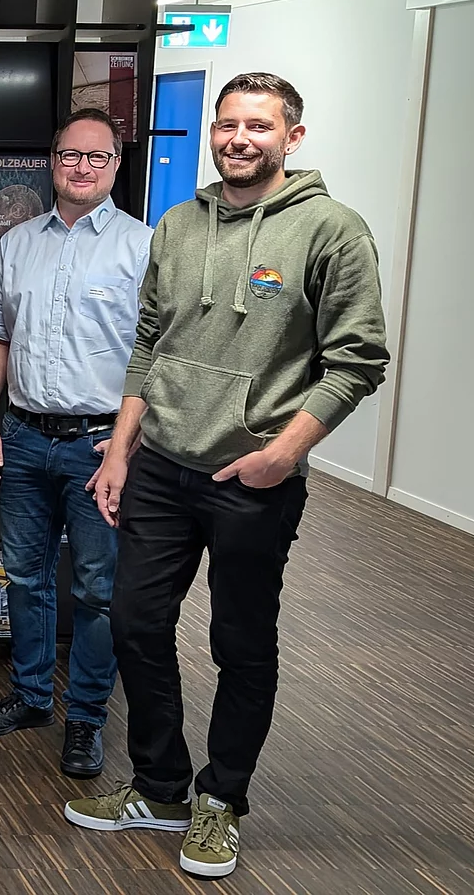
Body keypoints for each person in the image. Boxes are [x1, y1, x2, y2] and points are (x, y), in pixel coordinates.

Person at [67, 73, 388, 879]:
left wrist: (284, 453)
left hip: (253, 478)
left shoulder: (332, 231)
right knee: (134, 622)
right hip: (160, 464)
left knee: (240, 642)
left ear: (292, 137)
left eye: (258, 126)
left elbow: (358, 359)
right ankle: (160, 786)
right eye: (227, 124)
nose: (238, 139)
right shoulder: (179, 224)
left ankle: (222, 799)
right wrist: (119, 450)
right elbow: (148, 342)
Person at [0, 109, 152, 779]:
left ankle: (87, 718)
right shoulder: (17, 245)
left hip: (100, 446)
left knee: (98, 589)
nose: (81, 167)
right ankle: (32, 695)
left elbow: (155, 353)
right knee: (24, 575)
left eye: (97, 157)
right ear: (52, 161)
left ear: (115, 166)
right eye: (71, 155)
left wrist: (126, 446)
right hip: (22, 436)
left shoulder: (142, 247)